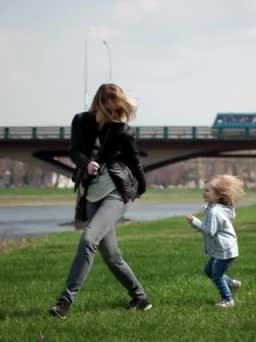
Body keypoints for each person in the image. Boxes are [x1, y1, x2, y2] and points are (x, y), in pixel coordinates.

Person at [49, 83, 151, 319]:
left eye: (118, 111)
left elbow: (135, 163)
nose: (115, 116)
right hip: (91, 192)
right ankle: (140, 298)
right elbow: (73, 151)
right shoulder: (80, 121)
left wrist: (140, 190)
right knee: (112, 257)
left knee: (88, 239)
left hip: (117, 192)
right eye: (111, 111)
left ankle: (64, 302)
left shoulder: (122, 130)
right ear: (99, 105)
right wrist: (86, 163)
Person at [185, 175, 244, 308]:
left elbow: (209, 230)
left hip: (225, 250)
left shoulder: (215, 211)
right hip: (223, 248)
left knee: (216, 276)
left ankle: (228, 300)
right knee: (209, 271)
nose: (203, 193)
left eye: (207, 191)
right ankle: (232, 284)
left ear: (217, 195)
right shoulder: (216, 208)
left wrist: (194, 222)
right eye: (204, 190)